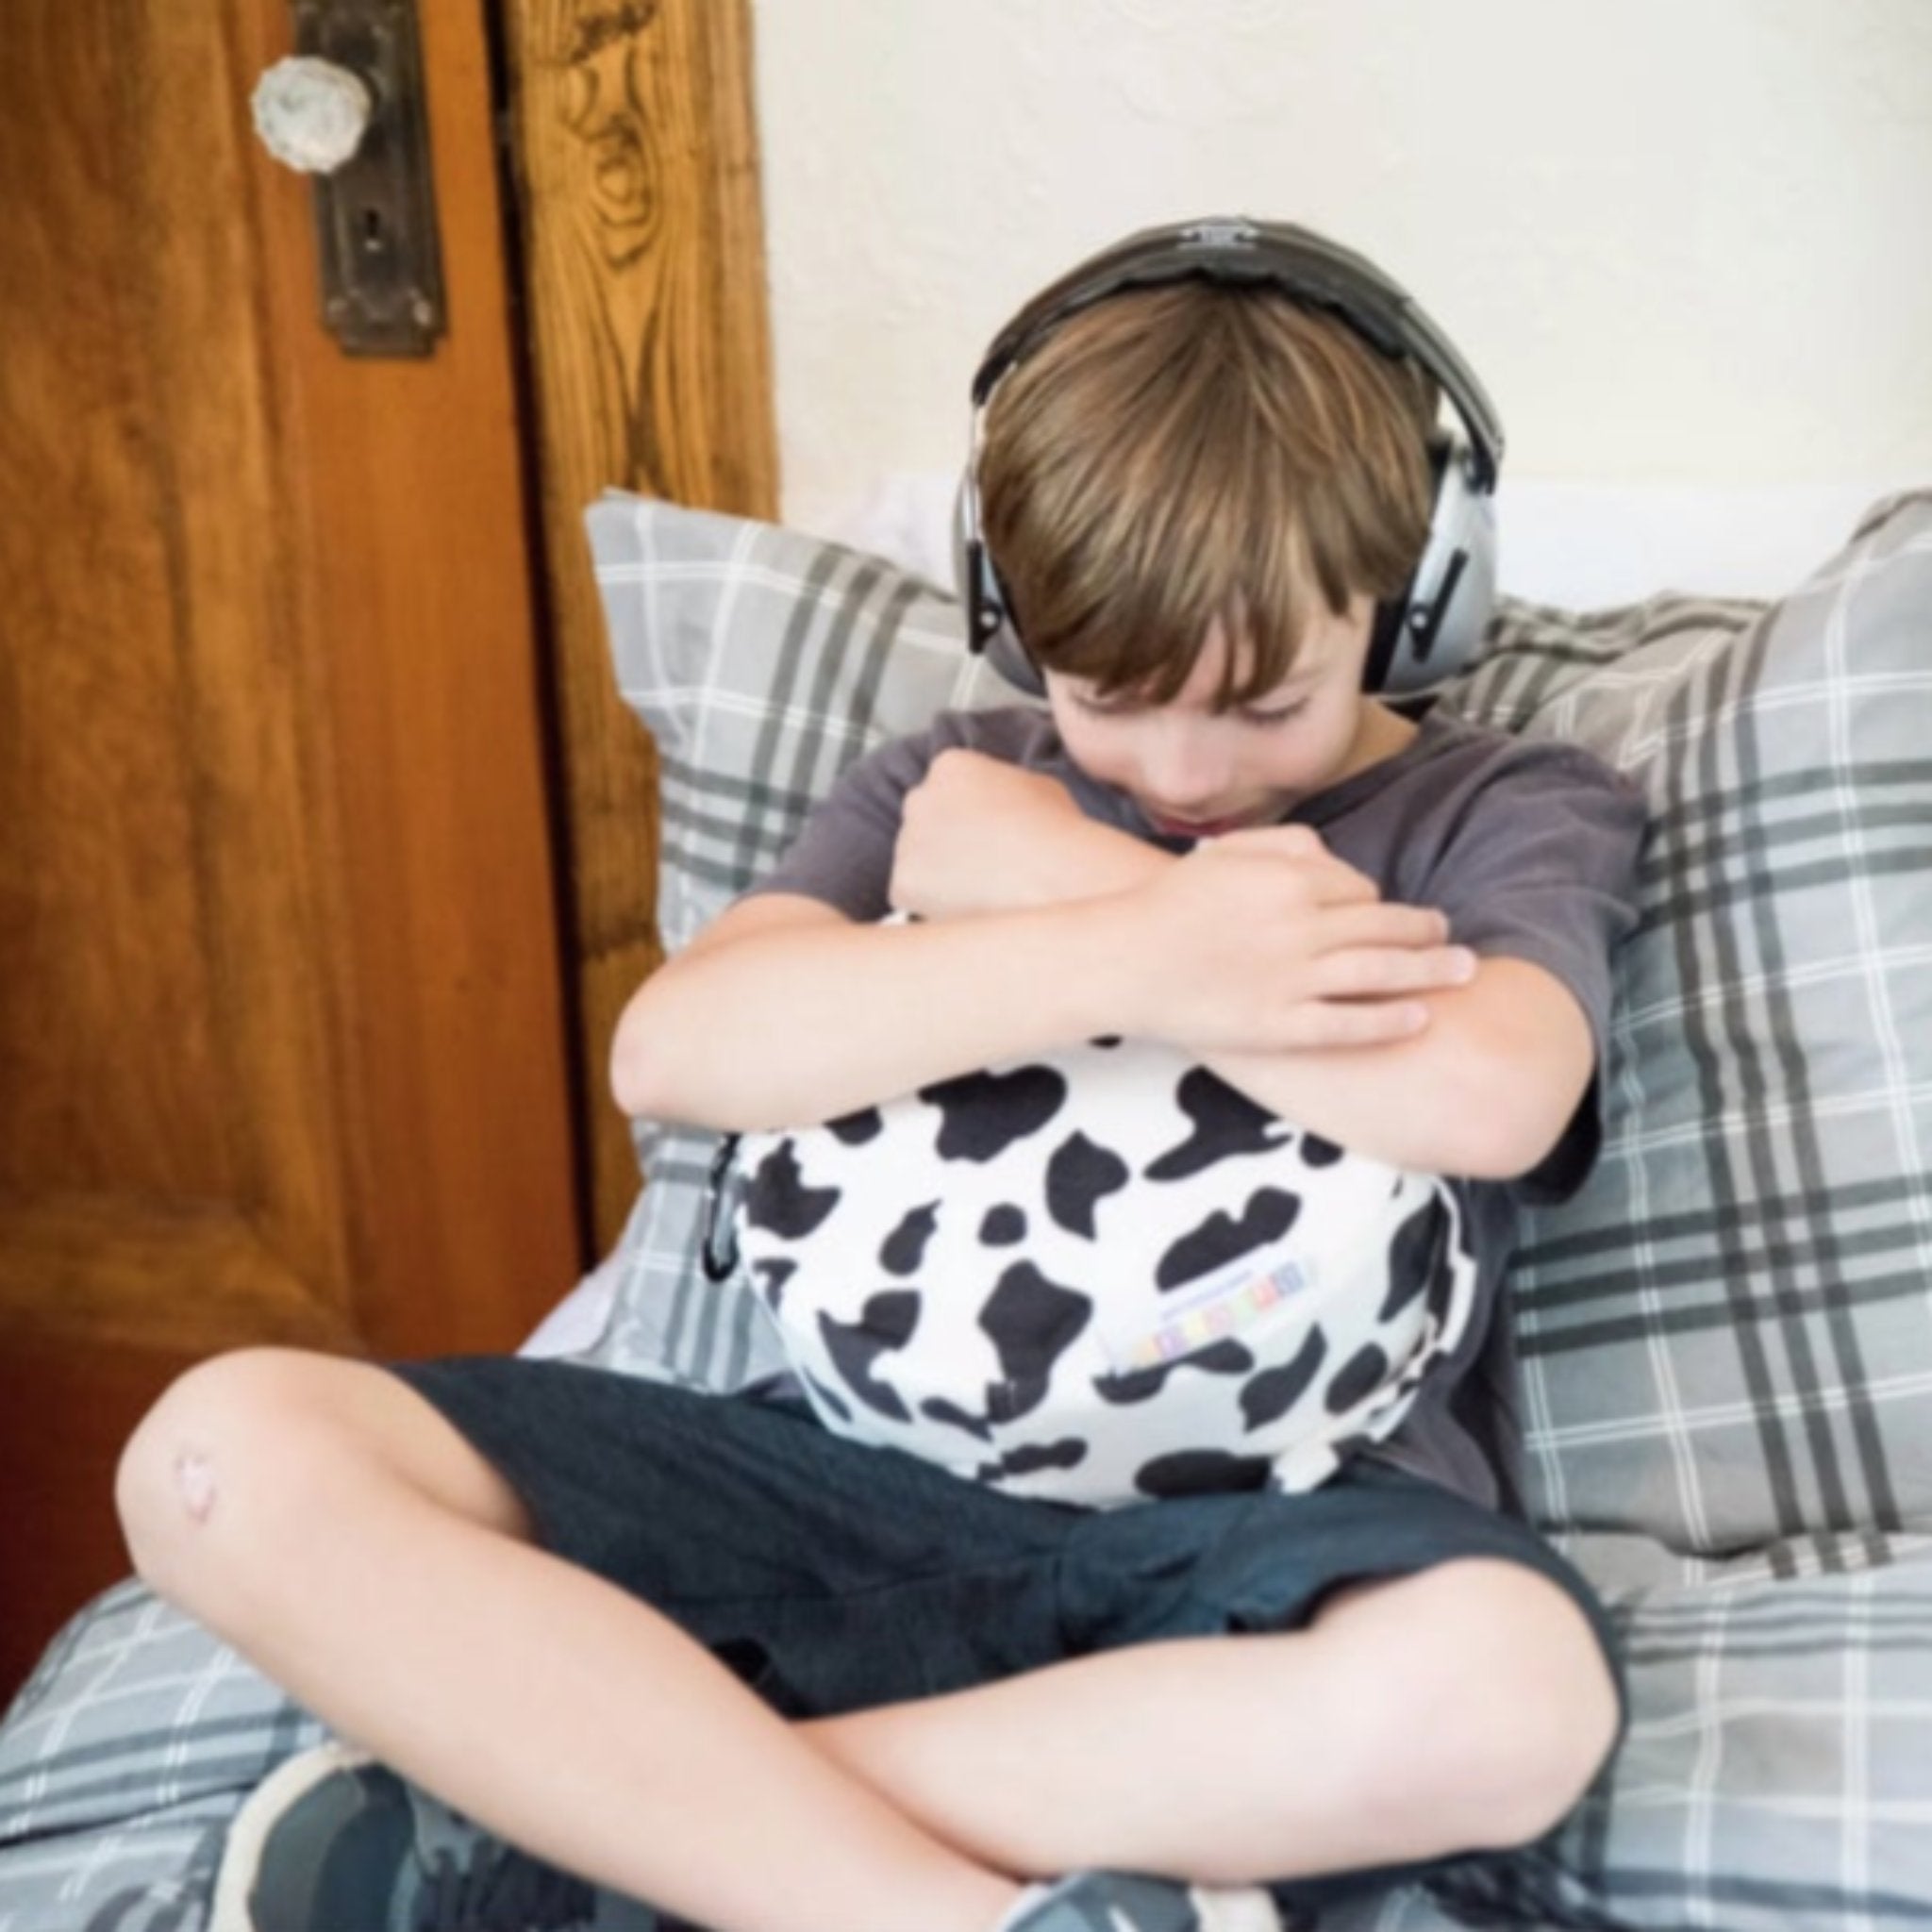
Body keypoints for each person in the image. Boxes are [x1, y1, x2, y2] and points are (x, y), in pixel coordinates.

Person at [114, 218, 1646, 1932]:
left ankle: (630, 1813)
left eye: (1266, 702)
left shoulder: (1510, 807)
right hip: (836, 1498)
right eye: (1106, 700)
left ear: (1419, 597)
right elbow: (682, 1050)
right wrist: (1128, 955)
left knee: (1516, 1694)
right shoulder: (952, 775)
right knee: (221, 1448)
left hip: (1258, 1541)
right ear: (1010, 623)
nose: (1180, 768)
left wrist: (1105, 893)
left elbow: (1491, 1095)